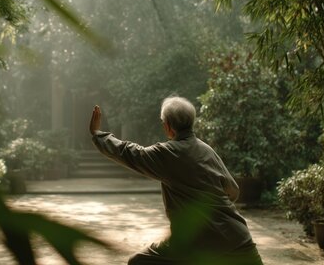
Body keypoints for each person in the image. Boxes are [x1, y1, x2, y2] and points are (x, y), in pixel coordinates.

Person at [89, 96, 263, 265]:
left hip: (192, 243)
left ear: (167, 126)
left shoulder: (167, 153)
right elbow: (233, 190)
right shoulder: (207, 150)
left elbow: (129, 152)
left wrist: (98, 134)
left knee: (139, 262)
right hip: (237, 238)